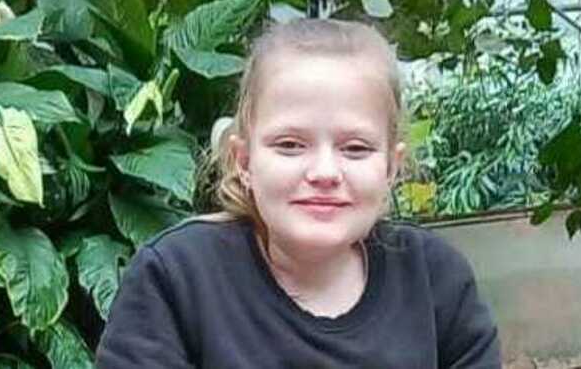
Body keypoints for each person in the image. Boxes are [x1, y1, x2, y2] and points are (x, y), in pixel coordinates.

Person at [96, 19, 501, 369]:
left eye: (355, 148)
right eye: (290, 145)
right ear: (243, 161)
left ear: (391, 168)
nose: (324, 172)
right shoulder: (176, 278)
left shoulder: (434, 279)